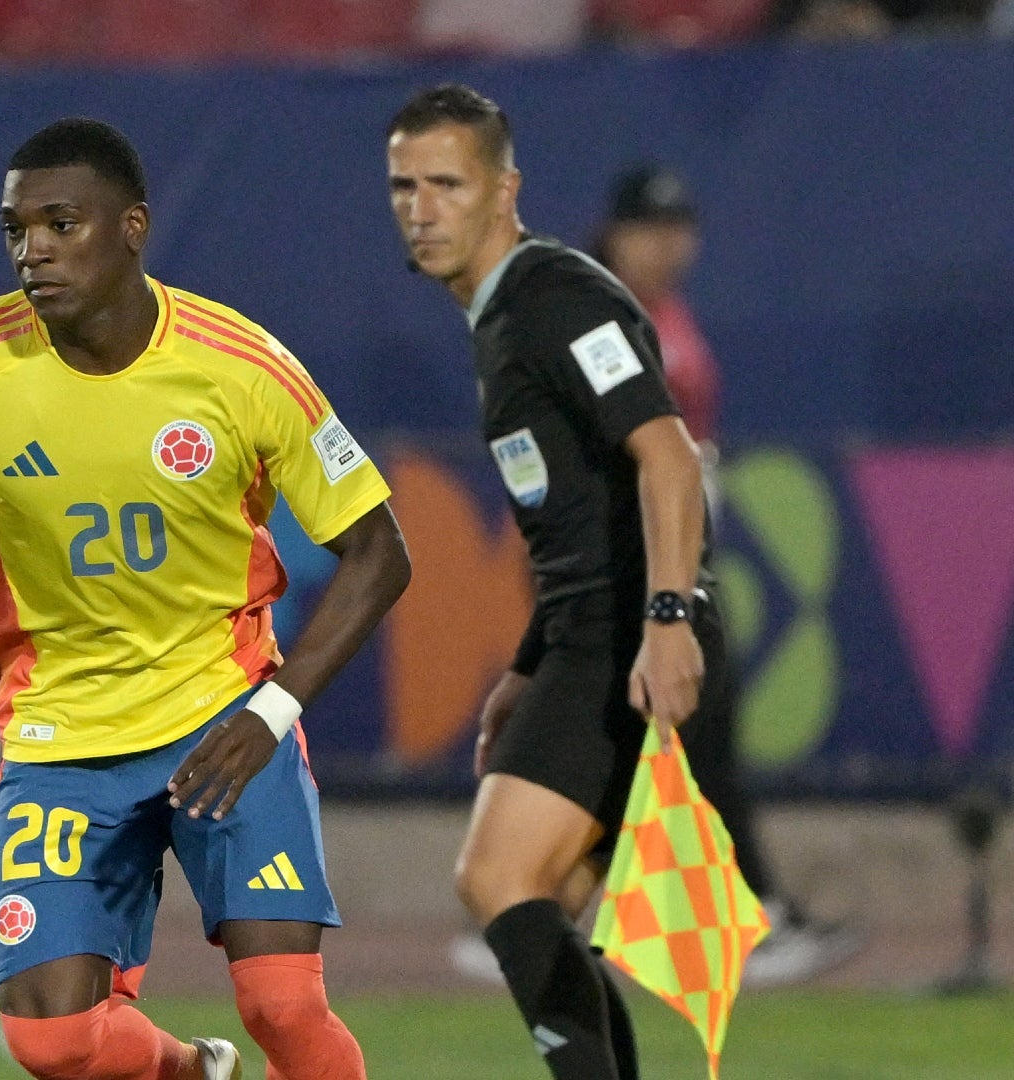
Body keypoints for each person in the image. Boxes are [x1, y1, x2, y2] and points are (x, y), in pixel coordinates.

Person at [0, 117, 412, 1080]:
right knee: (55, 1041)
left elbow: (379, 553)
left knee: (282, 1001)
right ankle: (193, 1071)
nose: (32, 251)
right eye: (16, 230)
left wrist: (272, 713)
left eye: (61, 224)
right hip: (60, 737)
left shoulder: (239, 365)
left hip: (220, 717)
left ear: (133, 227)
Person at [386, 84, 723, 1080]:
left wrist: (668, 618)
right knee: (546, 903)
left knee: (500, 878)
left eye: (447, 183)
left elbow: (667, 457)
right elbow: (578, 521)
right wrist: (526, 668)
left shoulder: (554, 296)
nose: (421, 206)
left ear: (505, 190)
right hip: (585, 636)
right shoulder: (502, 320)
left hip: (624, 635)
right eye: (404, 185)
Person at [594, 164, 859, 986]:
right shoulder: (603, 313)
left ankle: (551, 912)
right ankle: (754, 914)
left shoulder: (666, 311)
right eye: (651, 229)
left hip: (681, 548)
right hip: (638, 556)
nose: (669, 246)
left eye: (681, 229)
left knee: (662, 741)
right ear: (617, 232)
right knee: (691, 735)